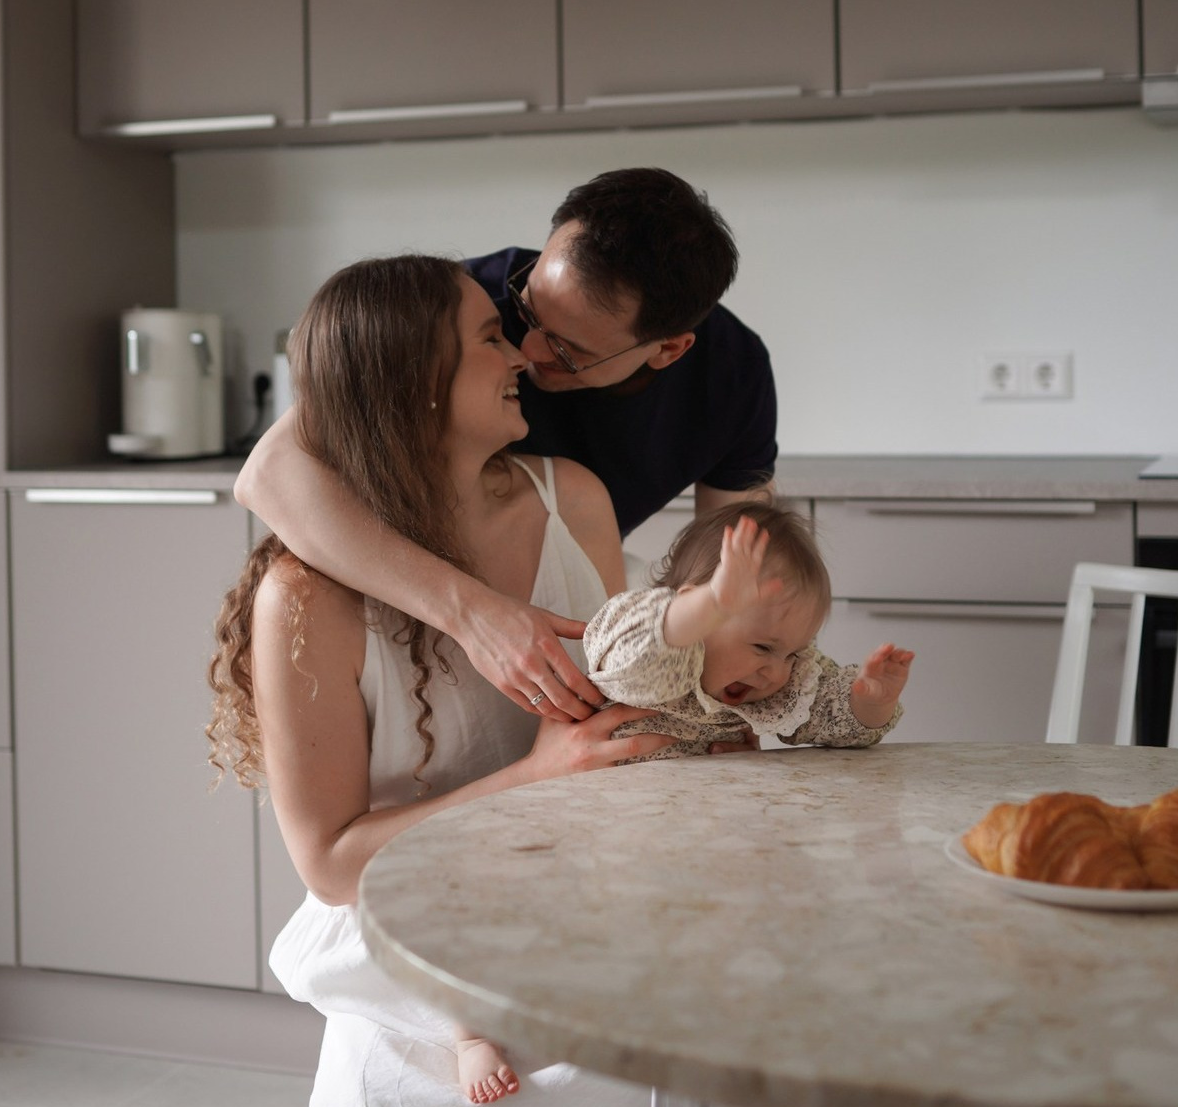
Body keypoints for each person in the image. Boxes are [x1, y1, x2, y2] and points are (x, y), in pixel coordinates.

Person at [206, 253, 677, 1107]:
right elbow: (331, 865)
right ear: (416, 381)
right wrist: (534, 777)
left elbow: (621, 726)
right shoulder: (304, 596)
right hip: (410, 974)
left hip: (581, 936)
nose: (523, 360)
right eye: (493, 338)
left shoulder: (574, 501)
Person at [234, 167, 777, 721]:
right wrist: (475, 615)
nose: (526, 349)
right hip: (408, 600)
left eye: (567, 352)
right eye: (526, 311)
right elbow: (269, 471)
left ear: (668, 351)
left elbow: (732, 566)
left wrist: (727, 701)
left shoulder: (734, 378)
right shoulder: (459, 307)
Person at [583, 502, 913, 758]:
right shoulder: (649, 660)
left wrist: (869, 702)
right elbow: (637, 652)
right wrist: (711, 602)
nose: (777, 671)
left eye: (791, 654)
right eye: (763, 648)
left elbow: (829, 714)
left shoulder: (780, 687)